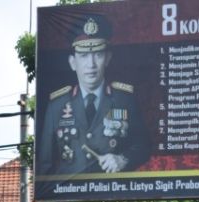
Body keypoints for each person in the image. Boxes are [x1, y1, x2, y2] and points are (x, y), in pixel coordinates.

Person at [36, 12, 147, 176]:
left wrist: (123, 159)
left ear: (108, 58)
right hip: (70, 194)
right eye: (83, 55)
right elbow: (44, 164)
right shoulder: (57, 105)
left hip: (114, 193)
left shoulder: (125, 99)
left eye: (98, 54)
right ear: (72, 62)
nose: (91, 64)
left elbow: (143, 145)